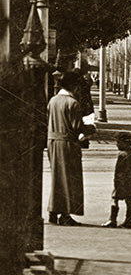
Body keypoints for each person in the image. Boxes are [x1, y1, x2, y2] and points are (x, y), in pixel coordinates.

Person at [47, 70, 89, 226]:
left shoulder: (53, 100)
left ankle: (53, 211)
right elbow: (77, 127)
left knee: (57, 178)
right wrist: (90, 129)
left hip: (52, 141)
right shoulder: (73, 103)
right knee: (69, 179)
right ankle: (65, 214)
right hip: (67, 143)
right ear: (73, 86)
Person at [104, 132, 131, 228]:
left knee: (114, 199)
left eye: (119, 142)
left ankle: (112, 219)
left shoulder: (122, 155)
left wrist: (117, 182)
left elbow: (119, 170)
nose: (117, 144)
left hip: (122, 182)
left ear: (125, 143)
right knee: (129, 201)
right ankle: (128, 221)